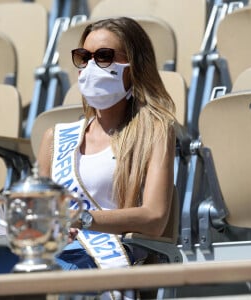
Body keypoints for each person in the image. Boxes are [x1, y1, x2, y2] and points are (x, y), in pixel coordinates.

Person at [37, 16, 176, 278]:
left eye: (103, 56)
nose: (90, 66)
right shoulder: (55, 138)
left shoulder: (154, 131)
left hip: (108, 255)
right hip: (59, 251)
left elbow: (155, 218)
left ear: (133, 66)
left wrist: (84, 219)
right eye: (83, 57)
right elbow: (41, 213)